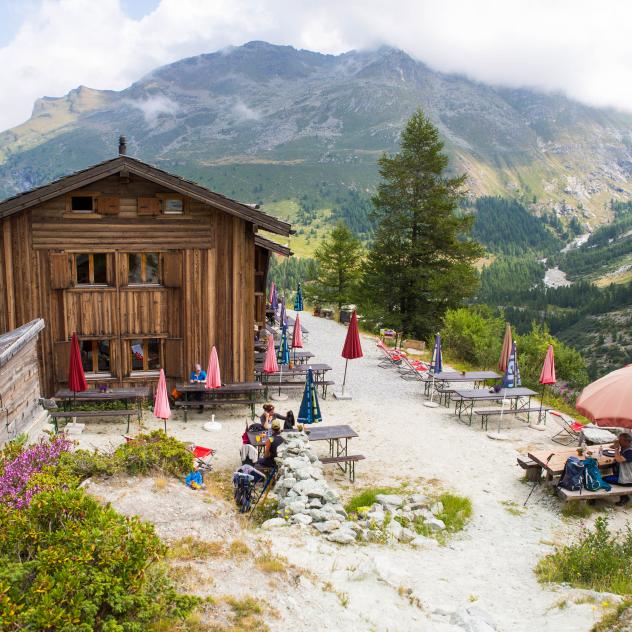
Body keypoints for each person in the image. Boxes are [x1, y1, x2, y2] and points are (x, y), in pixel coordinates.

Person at [603, 432, 632, 506]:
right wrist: (615, 444)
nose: (619, 441)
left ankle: (625, 497)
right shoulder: (625, 447)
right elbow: (611, 447)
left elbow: (619, 459)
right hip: (625, 474)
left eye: (620, 440)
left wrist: (616, 448)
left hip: (627, 479)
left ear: (626, 441)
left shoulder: (630, 452)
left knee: (604, 479)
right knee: (613, 466)